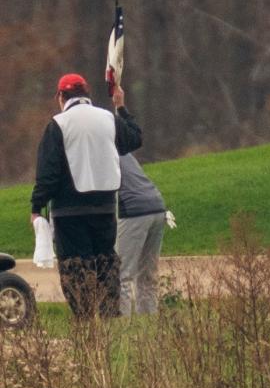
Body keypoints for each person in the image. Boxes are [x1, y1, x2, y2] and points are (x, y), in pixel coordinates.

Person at [30, 74, 142, 319]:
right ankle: (109, 322)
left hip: (69, 213)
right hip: (104, 210)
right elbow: (134, 139)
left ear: (61, 97)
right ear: (87, 94)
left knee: (76, 272)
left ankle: (87, 329)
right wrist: (120, 106)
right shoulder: (108, 119)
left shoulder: (57, 125)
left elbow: (47, 174)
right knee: (106, 267)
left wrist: (36, 207)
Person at [116, 153, 168, 316]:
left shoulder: (103, 153)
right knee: (147, 274)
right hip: (157, 206)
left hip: (133, 210)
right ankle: (148, 322)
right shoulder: (126, 153)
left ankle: (120, 325)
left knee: (121, 275)